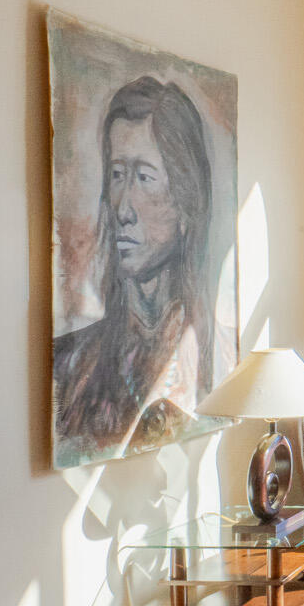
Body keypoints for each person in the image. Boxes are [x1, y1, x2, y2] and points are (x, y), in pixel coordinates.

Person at [53, 76, 231, 465]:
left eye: (145, 177)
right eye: (117, 175)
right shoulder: (68, 364)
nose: (123, 209)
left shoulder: (221, 359)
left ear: (186, 203)